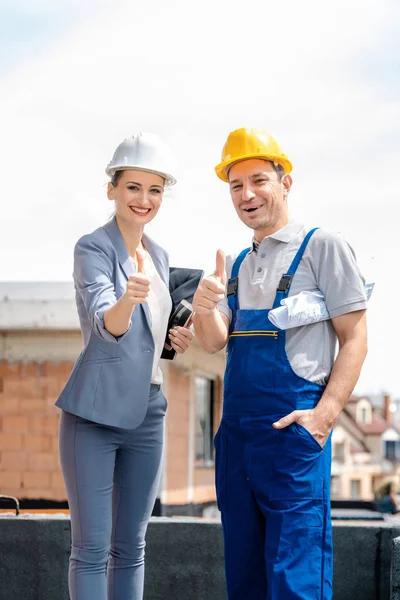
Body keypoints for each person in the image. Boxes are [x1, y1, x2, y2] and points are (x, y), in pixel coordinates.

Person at [192, 127, 368, 600]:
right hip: (237, 441)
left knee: (296, 579)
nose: (247, 194)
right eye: (235, 185)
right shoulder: (237, 265)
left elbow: (355, 338)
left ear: (284, 182)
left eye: (258, 180)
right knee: (244, 578)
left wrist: (324, 417)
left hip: (292, 437)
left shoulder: (322, 246)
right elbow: (212, 343)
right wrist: (204, 303)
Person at [55, 132, 194, 600]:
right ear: (112, 189)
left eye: (154, 190)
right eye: (133, 186)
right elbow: (104, 324)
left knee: (132, 547)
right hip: (94, 415)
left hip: (148, 412)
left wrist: (175, 338)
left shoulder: (159, 256)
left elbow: (147, 338)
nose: (144, 199)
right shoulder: (92, 248)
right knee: (91, 549)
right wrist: (126, 298)